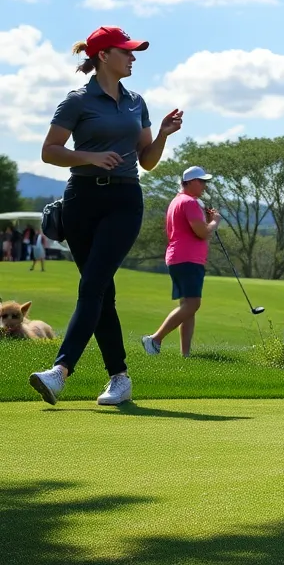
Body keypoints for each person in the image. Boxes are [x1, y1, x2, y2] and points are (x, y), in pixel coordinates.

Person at [28, 26, 183, 407]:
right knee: (102, 292)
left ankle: (60, 371)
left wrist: (161, 135)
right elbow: (50, 150)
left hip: (124, 200)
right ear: (102, 56)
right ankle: (120, 377)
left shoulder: (136, 102)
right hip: (80, 200)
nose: (133, 58)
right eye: (126, 52)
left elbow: (146, 161)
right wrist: (90, 157)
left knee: (92, 285)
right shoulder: (78, 100)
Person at [142, 166, 220, 358]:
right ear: (191, 182)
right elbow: (202, 232)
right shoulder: (190, 202)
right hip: (187, 259)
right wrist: (215, 221)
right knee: (193, 304)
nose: (204, 186)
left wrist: (207, 221)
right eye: (201, 182)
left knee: (187, 306)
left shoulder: (177, 201)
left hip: (179, 257)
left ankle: (185, 354)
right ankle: (155, 339)